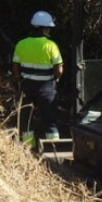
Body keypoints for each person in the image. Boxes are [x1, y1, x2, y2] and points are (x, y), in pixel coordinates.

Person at [12, 10, 64, 146]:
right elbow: (59, 70)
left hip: (26, 87)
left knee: (27, 120)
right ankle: (53, 152)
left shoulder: (21, 44)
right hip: (46, 88)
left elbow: (15, 67)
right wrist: (55, 78)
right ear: (46, 28)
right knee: (50, 121)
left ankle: (28, 152)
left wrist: (18, 80)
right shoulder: (51, 46)